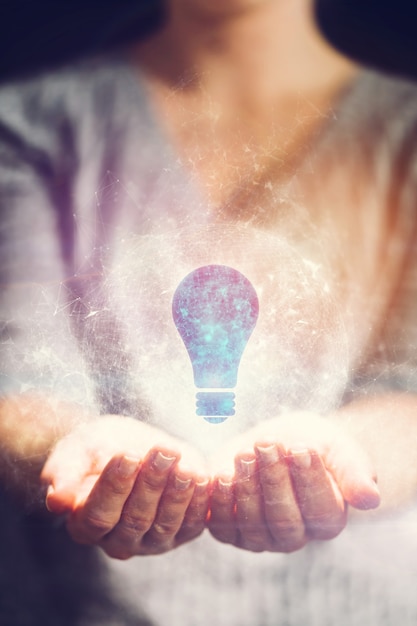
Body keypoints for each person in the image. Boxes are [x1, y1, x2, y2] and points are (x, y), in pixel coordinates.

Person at [1, 0, 417, 624]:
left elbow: (408, 383)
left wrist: (347, 454)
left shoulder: (403, 133)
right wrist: (72, 444)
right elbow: (22, 374)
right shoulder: (29, 124)